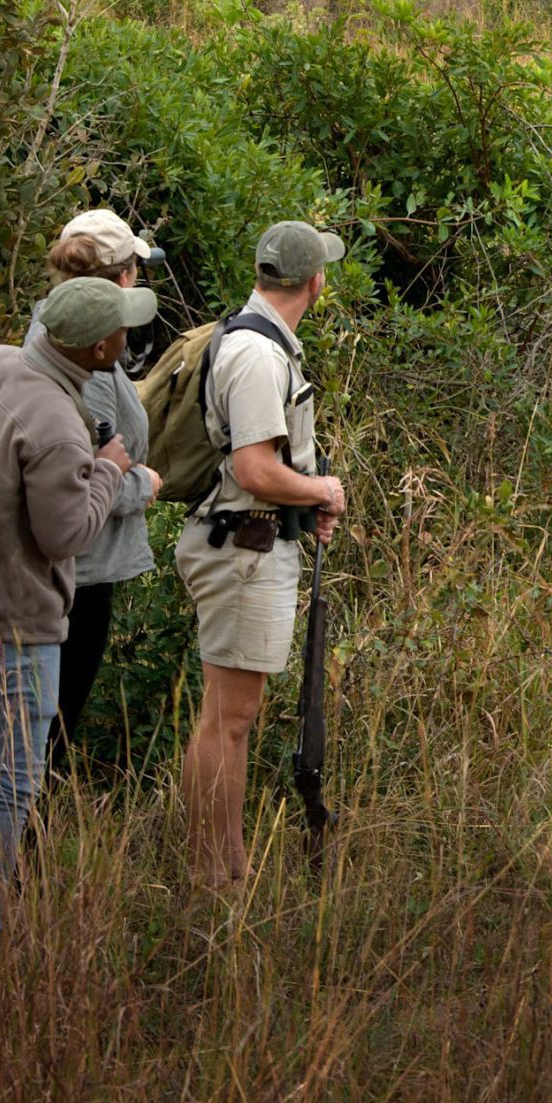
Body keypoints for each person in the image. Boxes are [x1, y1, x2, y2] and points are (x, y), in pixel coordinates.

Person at [0, 274, 158, 947]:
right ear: (96, 349)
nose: (129, 336)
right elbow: (65, 535)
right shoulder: (60, 423)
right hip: (20, 629)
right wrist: (112, 468)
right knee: (12, 786)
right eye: (121, 330)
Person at [176, 220, 347, 890]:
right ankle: (215, 873)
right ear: (315, 281)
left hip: (245, 541)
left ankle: (220, 866)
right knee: (230, 721)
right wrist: (321, 488)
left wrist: (305, 505)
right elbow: (254, 469)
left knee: (226, 718)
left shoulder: (260, 342)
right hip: (242, 547)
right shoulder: (258, 354)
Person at [40, 210, 166, 761]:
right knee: (51, 728)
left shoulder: (71, 340)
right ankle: (20, 841)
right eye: (135, 269)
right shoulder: (82, 358)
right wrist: (143, 485)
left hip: (78, 563)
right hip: (78, 569)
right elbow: (81, 476)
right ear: (119, 279)